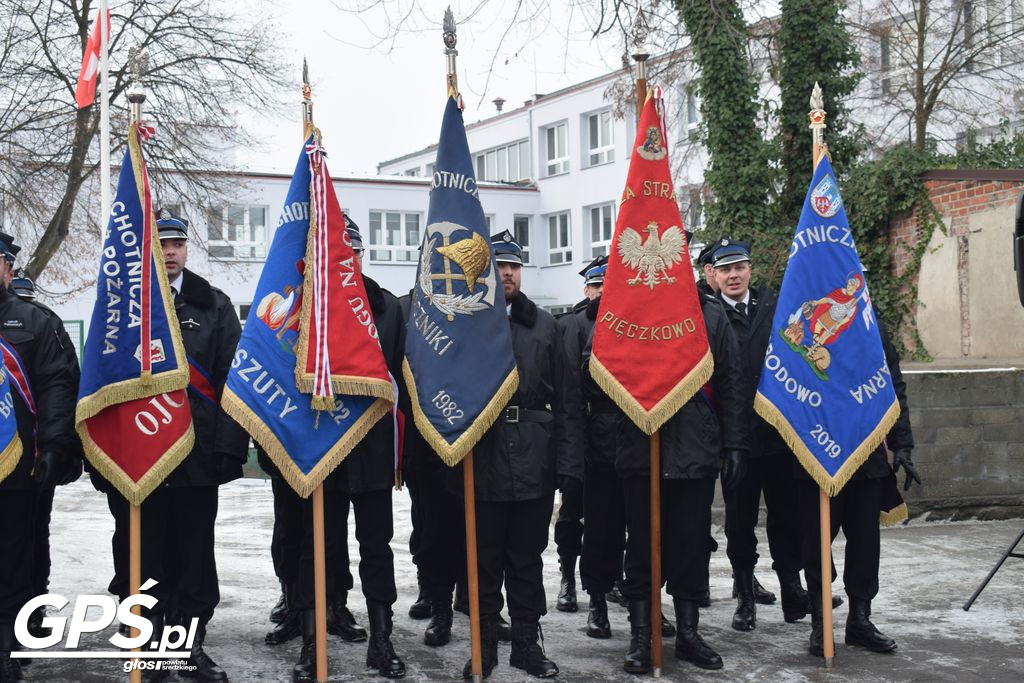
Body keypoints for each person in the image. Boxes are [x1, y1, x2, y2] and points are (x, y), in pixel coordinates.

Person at [100, 210, 248, 682]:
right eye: (161, 244)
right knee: (144, 550)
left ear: (186, 249)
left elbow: (231, 380)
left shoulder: (215, 305)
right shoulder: (125, 308)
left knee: (194, 551)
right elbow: (102, 383)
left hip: (197, 457)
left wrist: (229, 447)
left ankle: (190, 643)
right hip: (139, 457)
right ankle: (153, 639)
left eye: (177, 244)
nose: (169, 252)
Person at [450, 229, 582, 680]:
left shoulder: (547, 325)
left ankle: (526, 644)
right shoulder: (464, 320)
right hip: (480, 455)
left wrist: (568, 463)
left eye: (514, 266)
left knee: (527, 558)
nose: (506, 273)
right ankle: (483, 648)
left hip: (534, 458)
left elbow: (567, 400)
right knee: (483, 558)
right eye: (499, 265)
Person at [598, 284, 749, 674]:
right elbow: (592, 369)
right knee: (642, 549)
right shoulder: (622, 309)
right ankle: (640, 637)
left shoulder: (710, 313)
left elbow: (732, 381)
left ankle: (688, 634)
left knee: (692, 546)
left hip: (695, 449)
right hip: (639, 450)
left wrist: (734, 445)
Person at [292, 216, 406, 682]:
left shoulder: (387, 307)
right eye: (340, 254)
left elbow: (398, 378)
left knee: (376, 548)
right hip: (320, 447)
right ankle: (311, 643)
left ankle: (382, 640)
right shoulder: (304, 307)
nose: (348, 262)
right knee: (315, 550)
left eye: (354, 253)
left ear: (361, 257)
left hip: (372, 447)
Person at [798, 305, 919, 657]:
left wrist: (903, 445)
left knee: (866, 540)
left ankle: (860, 621)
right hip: (818, 451)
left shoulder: (872, 327)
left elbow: (892, 386)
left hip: (866, 453)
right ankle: (821, 623)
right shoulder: (804, 324)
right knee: (817, 542)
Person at [712, 239, 812, 631]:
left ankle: (792, 589)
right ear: (715, 276)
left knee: (788, 517)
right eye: (725, 270)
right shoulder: (710, 314)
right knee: (739, 522)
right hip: (735, 440)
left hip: (778, 433)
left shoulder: (777, 307)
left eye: (739, 268)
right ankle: (745, 595)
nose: (733, 275)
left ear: (750, 269)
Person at [0, 231, 81, 683]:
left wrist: (55, 445)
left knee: (14, 558)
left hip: (15, 467)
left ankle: (7, 646)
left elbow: (56, 387)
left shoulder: (33, 321)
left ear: (8, 268)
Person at [551, 256, 608, 616]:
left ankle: (606, 584)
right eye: (596, 286)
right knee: (571, 516)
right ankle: (567, 577)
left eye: (607, 285)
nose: (601, 292)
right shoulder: (568, 326)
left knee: (609, 521)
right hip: (577, 438)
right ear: (586, 289)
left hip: (611, 441)